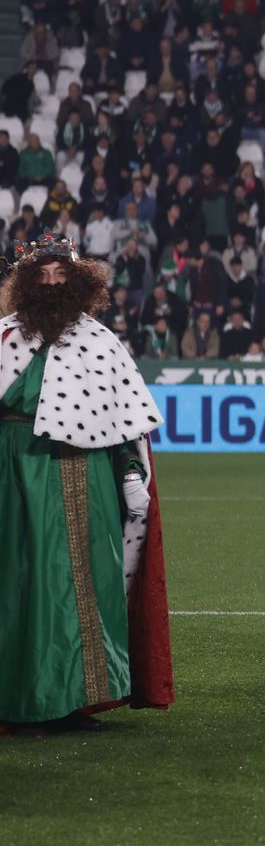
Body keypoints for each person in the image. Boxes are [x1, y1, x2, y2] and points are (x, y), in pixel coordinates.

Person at [0, 237, 172, 733]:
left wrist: (132, 474)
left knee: (88, 582)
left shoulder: (100, 342)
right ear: (27, 283)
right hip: (16, 471)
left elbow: (125, 423)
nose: (52, 283)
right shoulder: (5, 337)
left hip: (86, 473)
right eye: (43, 275)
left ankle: (76, 700)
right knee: (23, 581)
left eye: (61, 274)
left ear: (78, 282)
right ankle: (24, 701)